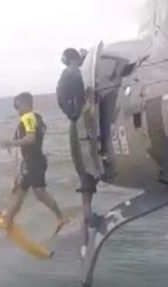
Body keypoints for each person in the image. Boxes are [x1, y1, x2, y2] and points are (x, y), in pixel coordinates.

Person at [0, 91, 68, 234]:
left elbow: (31, 139)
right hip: (32, 161)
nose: (17, 110)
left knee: (39, 193)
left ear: (26, 104)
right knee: (20, 190)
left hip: (34, 162)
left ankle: (60, 217)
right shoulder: (36, 117)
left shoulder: (28, 117)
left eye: (17, 106)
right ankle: (8, 217)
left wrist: (11, 143)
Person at [56, 47, 98, 196]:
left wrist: (72, 114)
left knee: (81, 165)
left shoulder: (69, 73)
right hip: (90, 117)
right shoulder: (82, 72)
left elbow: (60, 96)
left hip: (79, 119)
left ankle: (87, 213)